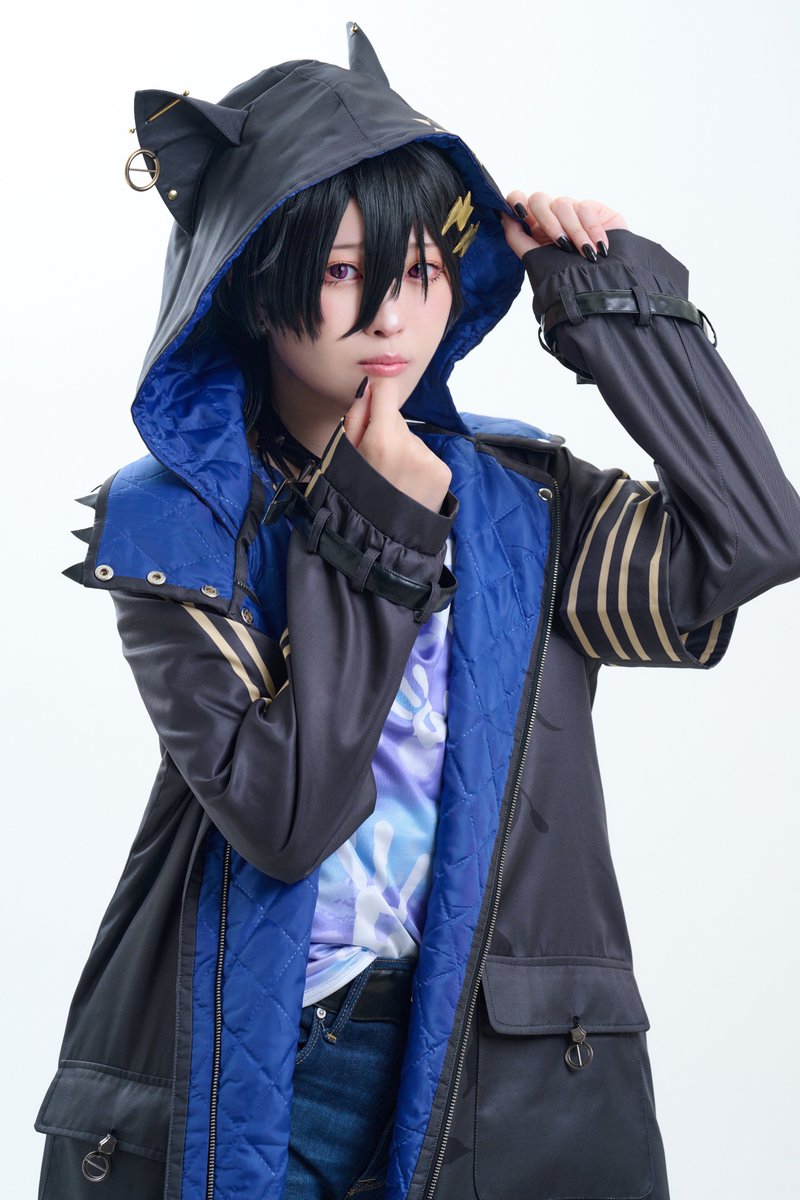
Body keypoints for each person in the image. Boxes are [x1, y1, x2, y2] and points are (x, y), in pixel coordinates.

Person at [33, 20, 800, 1200]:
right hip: (265, 1062)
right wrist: (375, 522)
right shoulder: (179, 523)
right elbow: (287, 817)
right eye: (343, 271)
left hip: (496, 1065)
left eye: (419, 270)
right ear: (255, 284)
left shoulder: (521, 506)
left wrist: (606, 302)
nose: (389, 314)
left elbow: (749, 541)